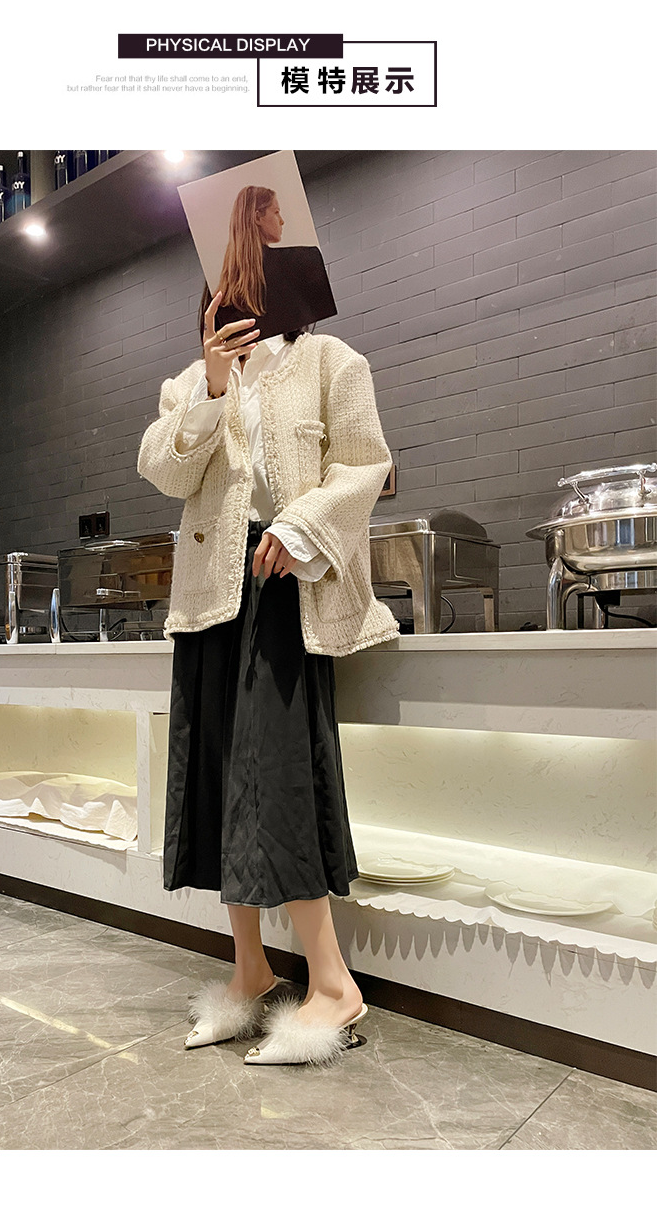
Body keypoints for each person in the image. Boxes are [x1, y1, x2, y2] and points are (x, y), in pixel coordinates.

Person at [136, 287, 399, 1066]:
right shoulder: (191, 382)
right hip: (207, 596)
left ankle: (334, 984)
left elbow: (365, 465)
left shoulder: (331, 362)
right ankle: (249, 969)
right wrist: (214, 387)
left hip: (285, 587)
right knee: (221, 772)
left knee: (274, 773)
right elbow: (163, 470)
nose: (235, 305)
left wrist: (299, 525)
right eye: (220, 294)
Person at [214, 185, 337, 340]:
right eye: (276, 212)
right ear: (257, 217)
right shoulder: (305, 259)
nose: (282, 221)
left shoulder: (223, 294)